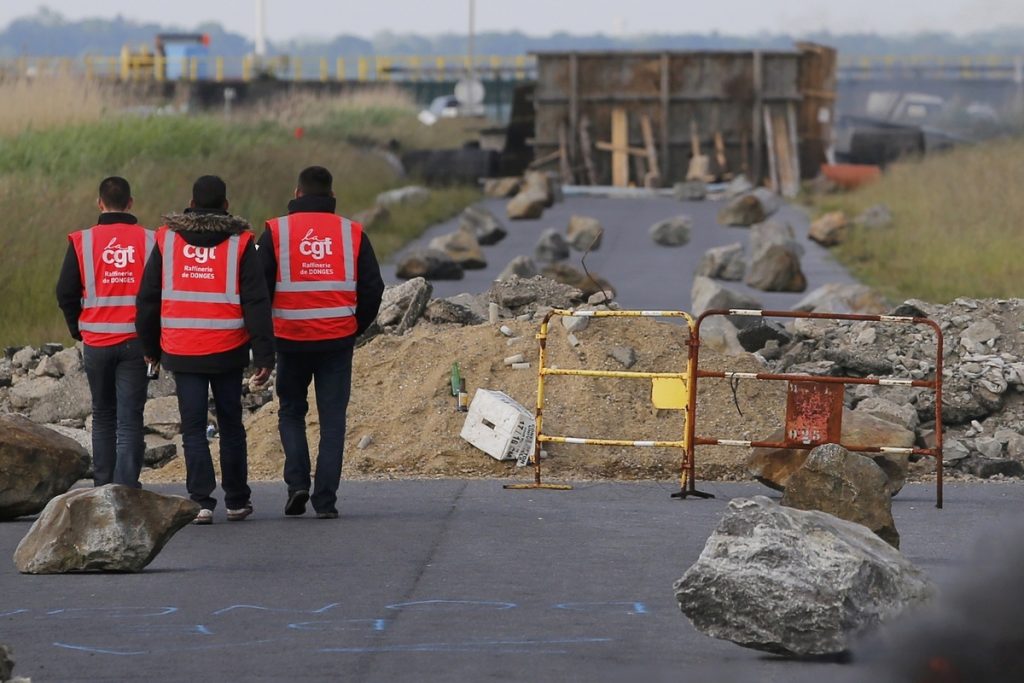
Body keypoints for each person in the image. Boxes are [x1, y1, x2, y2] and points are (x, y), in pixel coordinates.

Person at [136, 175, 275, 525]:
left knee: (194, 428)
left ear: (191, 204)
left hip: (182, 350)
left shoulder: (167, 240)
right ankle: (237, 500)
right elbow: (256, 302)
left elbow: (149, 299)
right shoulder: (241, 243)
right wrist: (264, 355)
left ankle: (200, 501)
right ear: (226, 207)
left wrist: (150, 348)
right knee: (231, 426)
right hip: (228, 349)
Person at [258, 166, 384, 519]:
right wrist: (354, 326)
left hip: (290, 340)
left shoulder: (275, 231)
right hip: (336, 341)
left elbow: (259, 290)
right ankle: (325, 501)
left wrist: (264, 337)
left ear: (297, 194)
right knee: (332, 421)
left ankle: (297, 483)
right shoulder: (352, 232)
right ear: (331, 197)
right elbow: (373, 288)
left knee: (291, 412)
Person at [56, 176, 152, 488]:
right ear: (130, 203)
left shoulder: (82, 241)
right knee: (129, 418)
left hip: (96, 340)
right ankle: (125, 488)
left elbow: (65, 292)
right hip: (136, 342)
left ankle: (103, 487)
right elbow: (157, 294)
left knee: (103, 415)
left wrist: (78, 328)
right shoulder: (150, 241)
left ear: (100, 203)